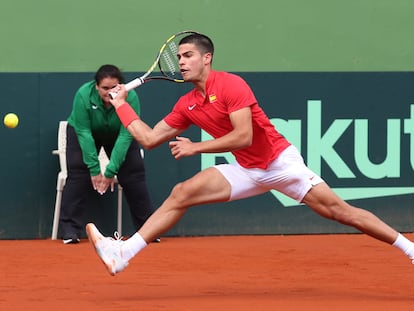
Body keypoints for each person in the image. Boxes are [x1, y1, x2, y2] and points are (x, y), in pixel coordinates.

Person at [86, 34, 414, 275]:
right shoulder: (186, 104)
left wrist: (196, 147)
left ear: (207, 58)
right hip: (247, 170)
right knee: (182, 192)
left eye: (187, 55)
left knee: (342, 213)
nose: (181, 62)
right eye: (180, 57)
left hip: (280, 163)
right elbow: (149, 138)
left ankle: (410, 250)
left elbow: (243, 136)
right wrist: (122, 105)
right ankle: (124, 253)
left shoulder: (231, 85)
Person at [59, 64, 156, 244]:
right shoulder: (83, 95)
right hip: (85, 132)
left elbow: (126, 135)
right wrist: (95, 169)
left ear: (121, 86)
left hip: (119, 132)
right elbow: (84, 133)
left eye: (114, 87)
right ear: (96, 86)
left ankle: (147, 231)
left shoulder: (131, 97)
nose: (109, 91)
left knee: (134, 173)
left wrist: (111, 171)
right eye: (104, 88)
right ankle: (70, 231)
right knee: (78, 174)